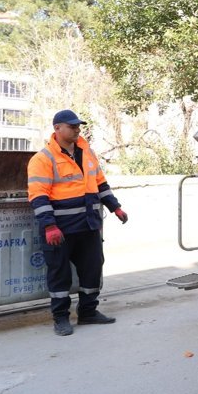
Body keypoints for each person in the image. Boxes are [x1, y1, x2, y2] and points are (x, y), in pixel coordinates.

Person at [27, 110, 129, 336]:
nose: (77, 129)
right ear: (57, 129)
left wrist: (115, 207)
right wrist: (49, 226)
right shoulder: (43, 159)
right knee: (59, 273)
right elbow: (38, 196)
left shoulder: (87, 153)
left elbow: (101, 183)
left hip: (89, 225)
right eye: (71, 126)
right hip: (60, 229)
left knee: (92, 269)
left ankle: (88, 312)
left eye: (78, 126)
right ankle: (61, 318)